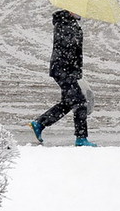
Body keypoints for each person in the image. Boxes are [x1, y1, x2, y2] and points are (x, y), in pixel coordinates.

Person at [29, 9, 97, 146]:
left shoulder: (69, 23)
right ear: (71, 10)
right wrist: (73, 68)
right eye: (78, 10)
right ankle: (81, 138)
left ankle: (40, 123)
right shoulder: (65, 24)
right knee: (80, 102)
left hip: (66, 70)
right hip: (64, 70)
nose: (81, 12)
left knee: (68, 102)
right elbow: (67, 47)